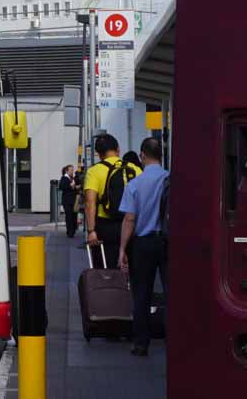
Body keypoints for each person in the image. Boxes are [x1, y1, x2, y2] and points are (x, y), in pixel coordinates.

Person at [117, 137, 169, 357]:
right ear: (161, 156)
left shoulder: (135, 184)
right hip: (168, 242)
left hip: (143, 244)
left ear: (142, 156)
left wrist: (122, 250)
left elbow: (129, 218)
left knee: (141, 294)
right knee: (172, 292)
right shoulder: (170, 179)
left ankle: (141, 343)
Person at [84, 134, 142, 269]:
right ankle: (129, 290)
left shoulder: (94, 171)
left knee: (105, 268)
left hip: (105, 227)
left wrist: (91, 230)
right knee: (134, 269)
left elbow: (89, 202)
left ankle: (108, 289)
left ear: (98, 154)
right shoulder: (135, 169)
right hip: (131, 225)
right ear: (118, 149)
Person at [59, 165, 79, 238]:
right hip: (67, 201)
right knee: (69, 216)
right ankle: (69, 232)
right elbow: (61, 187)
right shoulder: (64, 178)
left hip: (74, 200)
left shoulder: (74, 178)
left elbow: (78, 184)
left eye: (72, 170)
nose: (72, 171)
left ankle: (73, 231)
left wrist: (76, 186)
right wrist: (71, 186)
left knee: (74, 216)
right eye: (70, 170)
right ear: (66, 171)